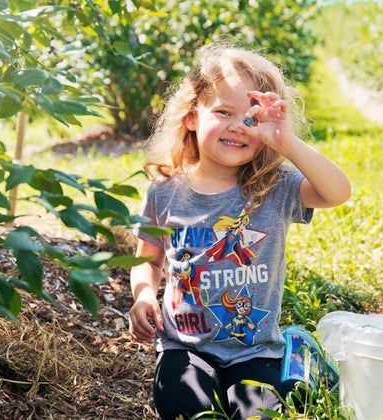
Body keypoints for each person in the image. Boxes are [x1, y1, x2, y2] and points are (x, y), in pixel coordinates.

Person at [128, 40, 351, 419]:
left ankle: (299, 359)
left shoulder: (275, 187)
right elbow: (148, 258)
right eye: (222, 111)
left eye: (252, 118)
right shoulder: (165, 192)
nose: (238, 126)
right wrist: (145, 294)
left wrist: (286, 142)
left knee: (259, 414)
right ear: (191, 116)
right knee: (187, 410)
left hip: (256, 350)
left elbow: (338, 192)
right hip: (185, 347)